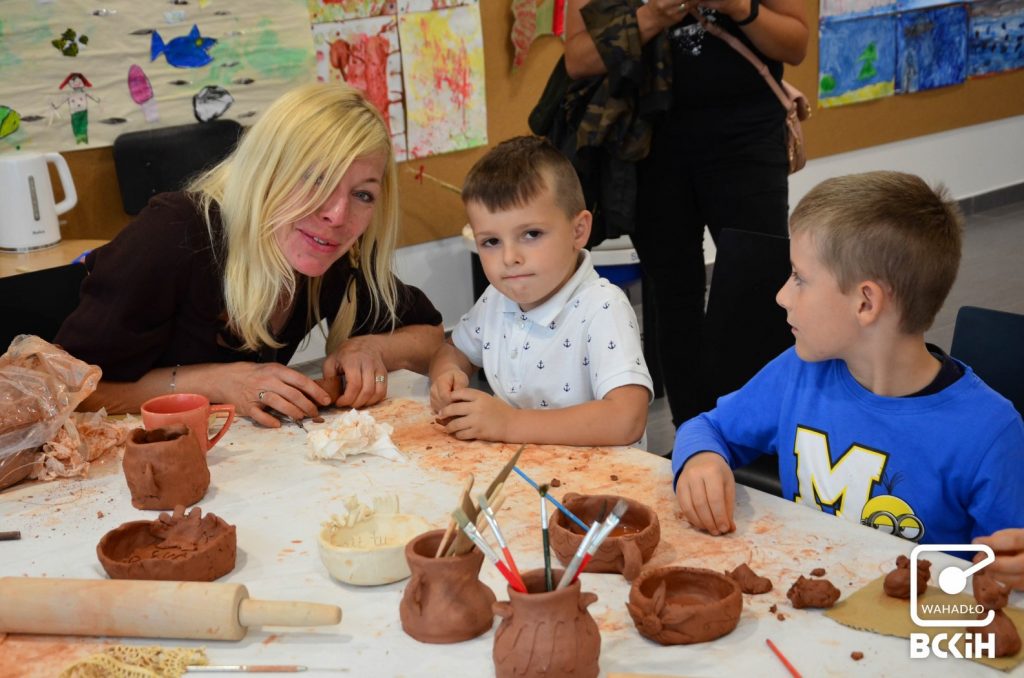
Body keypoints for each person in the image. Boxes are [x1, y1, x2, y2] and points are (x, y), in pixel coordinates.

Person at [56, 82, 444, 428]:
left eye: (363, 194)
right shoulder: (174, 232)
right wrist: (216, 383)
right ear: (268, 170)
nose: (336, 215)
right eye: (315, 178)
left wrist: (372, 348)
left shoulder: (333, 255)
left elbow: (430, 337)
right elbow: (65, 388)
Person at [671, 171, 1024, 546]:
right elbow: (708, 427)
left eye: (799, 278)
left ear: (865, 302)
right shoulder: (797, 373)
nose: (782, 296)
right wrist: (702, 459)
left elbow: (1003, 573)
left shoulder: (989, 433)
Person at [563, 0, 809, 429]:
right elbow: (577, 60)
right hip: (647, 143)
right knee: (673, 297)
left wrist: (736, 6)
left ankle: (760, 433)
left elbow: (795, 42)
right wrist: (655, 14)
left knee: (760, 288)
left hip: (746, 138)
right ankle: (696, 438)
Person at [429, 136, 652, 446]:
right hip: (525, 476)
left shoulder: (603, 308)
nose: (509, 258)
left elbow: (627, 419)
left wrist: (509, 424)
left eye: (531, 234)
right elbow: (452, 349)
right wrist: (447, 375)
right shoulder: (497, 298)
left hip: (597, 486)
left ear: (578, 231)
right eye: (491, 242)